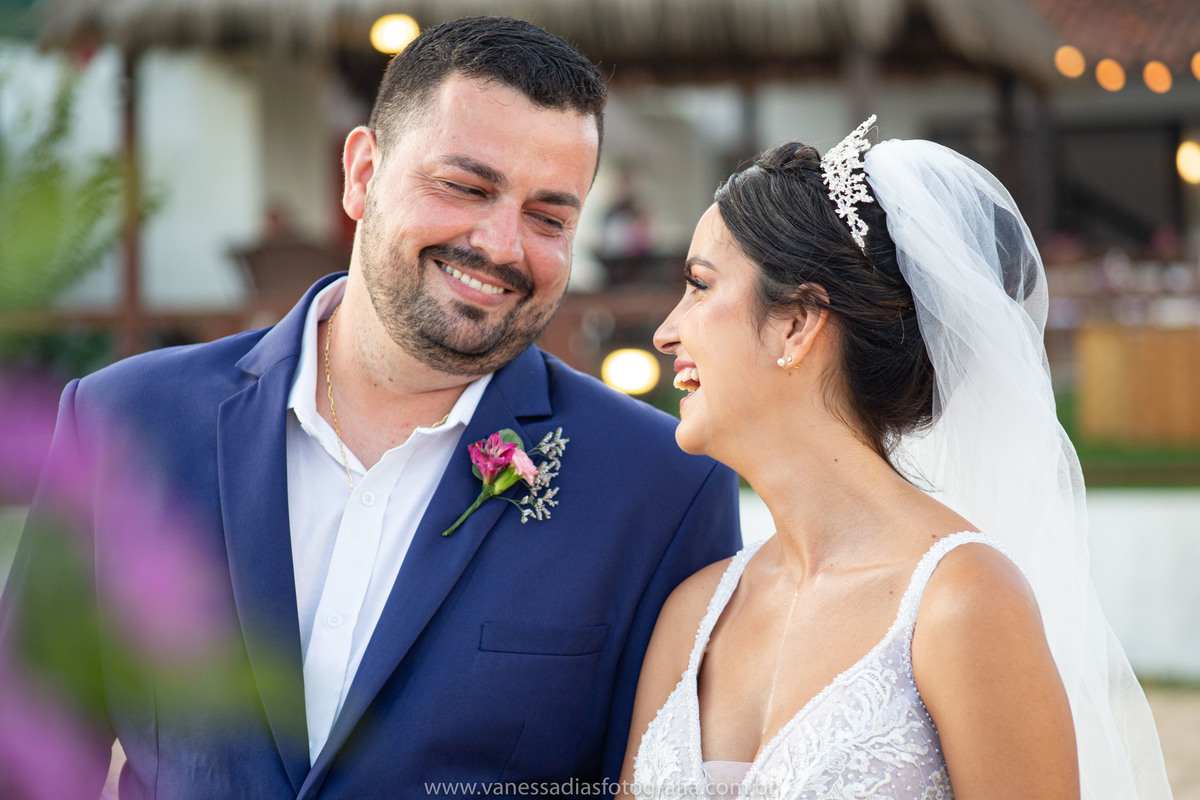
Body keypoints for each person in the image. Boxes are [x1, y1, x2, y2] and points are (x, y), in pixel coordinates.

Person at [2, 16, 740, 798]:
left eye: (549, 217)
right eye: (465, 186)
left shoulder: (662, 487)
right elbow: (30, 756)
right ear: (361, 173)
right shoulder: (127, 421)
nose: (501, 244)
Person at [620, 118, 1173, 799]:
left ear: (795, 323)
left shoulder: (962, 601)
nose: (665, 331)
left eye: (700, 286)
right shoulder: (693, 616)